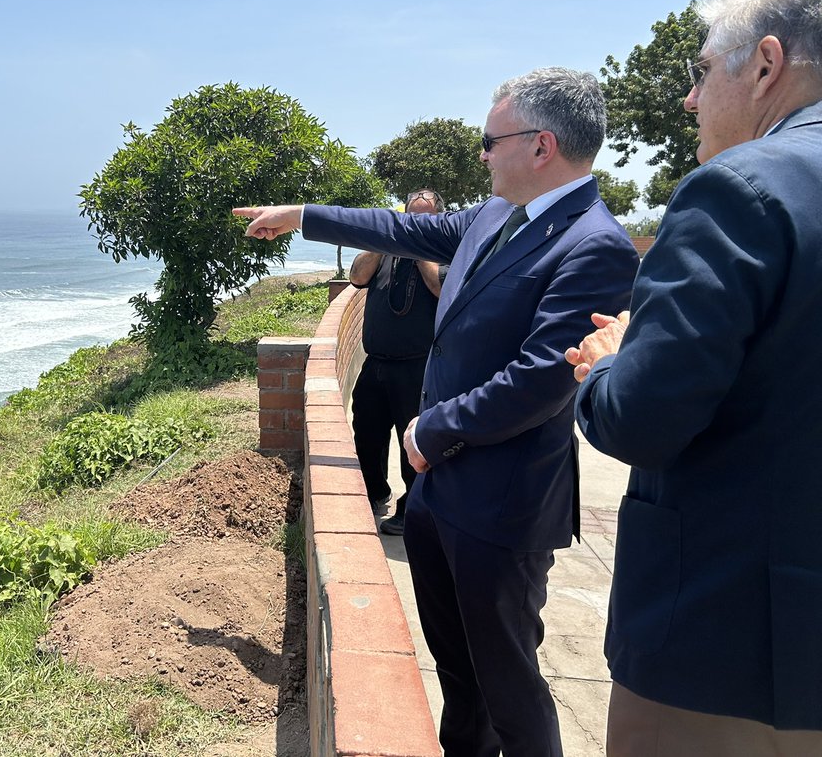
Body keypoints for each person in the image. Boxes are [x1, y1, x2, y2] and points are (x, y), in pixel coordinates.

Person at [235, 67, 639, 757]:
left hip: (502, 509)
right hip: (438, 495)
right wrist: (303, 216)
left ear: (541, 146)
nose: (481, 153)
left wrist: (430, 430)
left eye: (491, 139)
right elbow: (397, 226)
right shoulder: (491, 217)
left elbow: (543, 378)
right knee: (460, 680)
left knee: (508, 686)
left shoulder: (594, 244)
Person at [566, 0, 822, 756]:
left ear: (767, 64)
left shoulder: (741, 188)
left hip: (731, 653)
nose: (689, 96)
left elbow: (640, 419)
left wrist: (610, 357)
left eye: (704, 69)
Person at [348, 188, 445, 536]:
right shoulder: (387, 249)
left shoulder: (445, 251)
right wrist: (383, 240)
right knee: (367, 435)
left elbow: (439, 288)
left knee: (413, 442)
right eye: (410, 216)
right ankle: (374, 494)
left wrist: (419, 246)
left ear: (438, 219)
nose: (415, 222)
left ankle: (412, 510)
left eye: (424, 217)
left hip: (416, 367)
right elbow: (357, 277)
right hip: (376, 363)